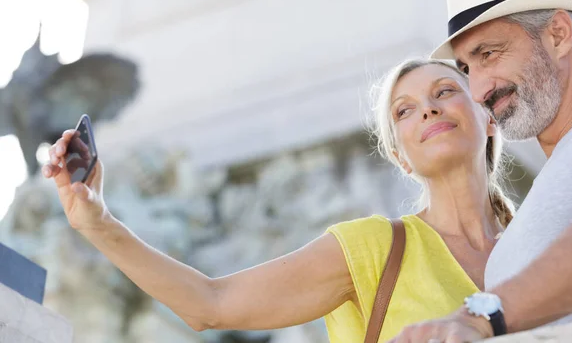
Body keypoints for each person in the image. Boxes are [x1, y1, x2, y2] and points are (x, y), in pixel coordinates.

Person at [44, 59, 514, 342]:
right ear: (400, 156)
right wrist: (99, 222)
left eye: (446, 91)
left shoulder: (543, 244)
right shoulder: (375, 247)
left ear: (489, 117)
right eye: (404, 110)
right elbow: (210, 303)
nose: (428, 108)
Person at [389, 0, 572, 342]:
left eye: (489, 54)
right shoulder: (534, 203)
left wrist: (479, 316)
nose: (479, 89)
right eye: (467, 68)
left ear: (558, 35)